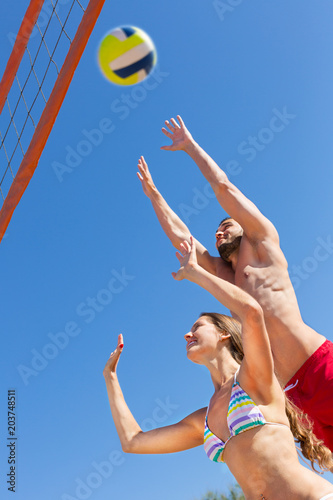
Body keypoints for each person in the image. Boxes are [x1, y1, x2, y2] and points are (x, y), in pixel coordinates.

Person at [136, 116, 333, 451]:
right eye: (216, 232)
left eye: (226, 226)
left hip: (318, 366)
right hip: (291, 395)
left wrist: (190, 146)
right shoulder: (225, 276)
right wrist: (154, 194)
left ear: (242, 227)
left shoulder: (262, 241)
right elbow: (183, 241)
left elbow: (224, 188)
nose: (218, 233)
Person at [103, 238, 333, 500]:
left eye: (197, 327)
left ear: (224, 333)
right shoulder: (204, 420)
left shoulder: (254, 376)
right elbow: (133, 441)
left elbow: (251, 312)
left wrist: (196, 272)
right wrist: (110, 377)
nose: (187, 335)